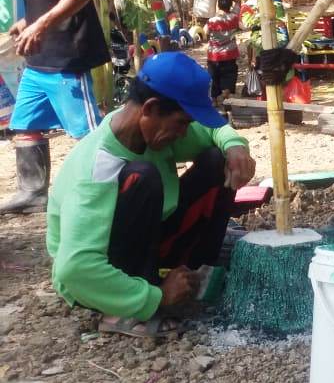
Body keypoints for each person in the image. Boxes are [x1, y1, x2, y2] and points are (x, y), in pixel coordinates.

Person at [46, 51, 256, 338]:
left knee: (216, 160)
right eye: (181, 123)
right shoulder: (97, 169)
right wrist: (154, 297)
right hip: (94, 277)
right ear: (150, 108)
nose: (185, 133)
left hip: (148, 239)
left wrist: (234, 146)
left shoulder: (149, 129)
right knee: (141, 177)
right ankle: (126, 309)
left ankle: (195, 274)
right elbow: (75, 269)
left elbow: (210, 131)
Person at [0, 0, 108, 214]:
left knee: (89, 133)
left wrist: (42, 24)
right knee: (25, 124)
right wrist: (26, 21)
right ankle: (33, 192)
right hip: (38, 64)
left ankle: (110, 189)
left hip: (65, 58)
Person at [206, 0, 241, 99]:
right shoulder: (234, 17)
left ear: (218, 6)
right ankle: (226, 93)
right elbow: (238, 0)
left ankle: (214, 100)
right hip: (230, 54)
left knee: (214, 77)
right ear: (230, 5)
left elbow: (205, 34)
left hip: (214, 56)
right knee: (229, 75)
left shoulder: (211, 21)